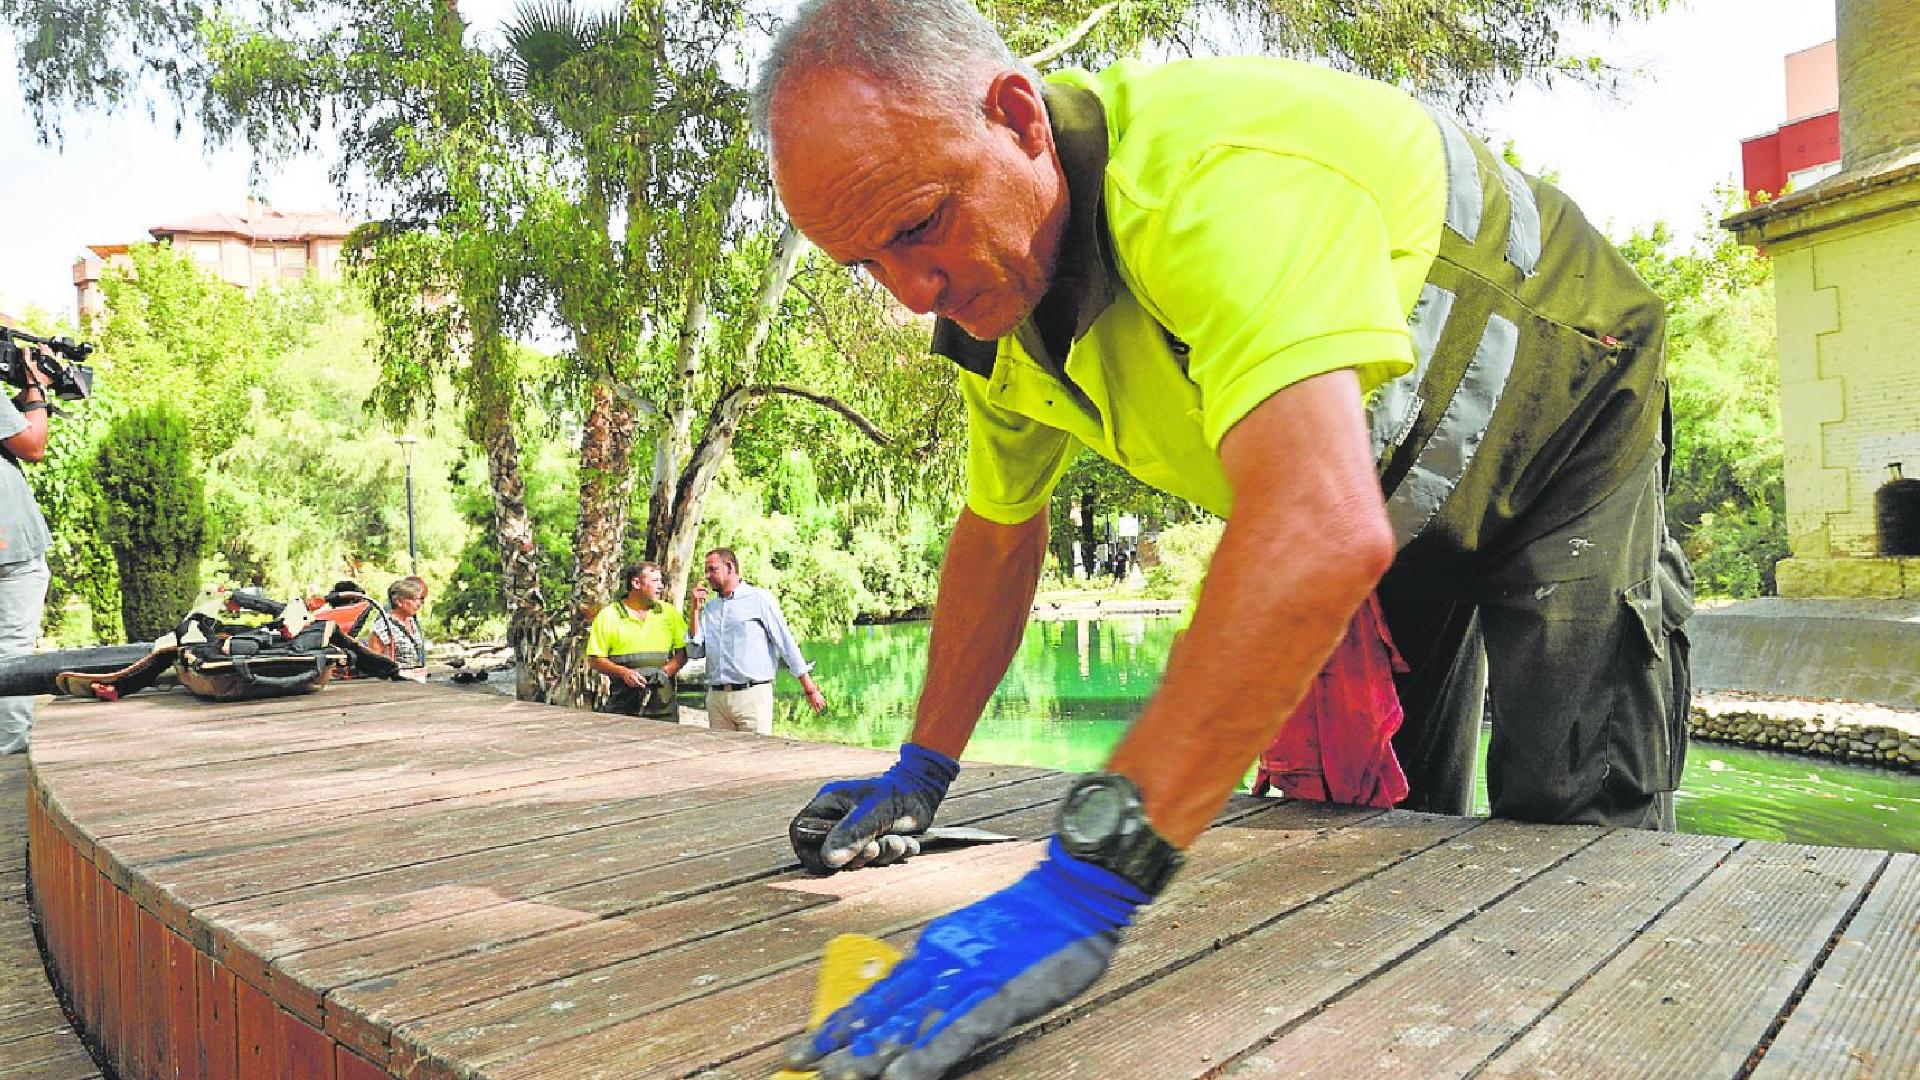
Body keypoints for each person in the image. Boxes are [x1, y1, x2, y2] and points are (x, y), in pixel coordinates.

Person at [756, 2, 1694, 1077]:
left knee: (1576, 849)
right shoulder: (997, 313)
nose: (911, 293)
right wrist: (923, 766)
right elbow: (998, 535)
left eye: (919, 224)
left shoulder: (1214, 179)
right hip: (1381, 494)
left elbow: (1316, 525)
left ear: (1018, 118)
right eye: (863, 262)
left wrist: (1089, 877)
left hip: (1563, 419)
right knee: (1383, 838)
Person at [686, 547, 827, 734]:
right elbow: (695, 652)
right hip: (717, 698)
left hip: (752, 696)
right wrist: (695, 609)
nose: (707, 575)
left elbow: (785, 643)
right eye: (706, 570)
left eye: (713, 569)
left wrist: (809, 688)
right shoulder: (710, 608)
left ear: (729, 567)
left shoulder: (759, 599)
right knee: (722, 761)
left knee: (756, 759)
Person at [0, 341, 53, 755]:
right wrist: (36, 392)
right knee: (12, 651)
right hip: (9, 548)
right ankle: (13, 753)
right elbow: (33, 445)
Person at [584, 561, 689, 721]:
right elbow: (595, 659)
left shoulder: (668, 612)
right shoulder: (609, 615)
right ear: (636, 583)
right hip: (623, 707)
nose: (660, 586)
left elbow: (683, 652)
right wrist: (624, 673)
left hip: (664, 709)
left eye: (661, 581)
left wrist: (666, 671)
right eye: (655, 581)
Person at [365, 576, 430, 682]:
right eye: (414, 600)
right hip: (396, 684)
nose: (419, 604)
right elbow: (375, 663)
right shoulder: (383, 626)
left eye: (419, 600)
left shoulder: (411, 621)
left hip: (418, 681)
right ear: (398, 602)